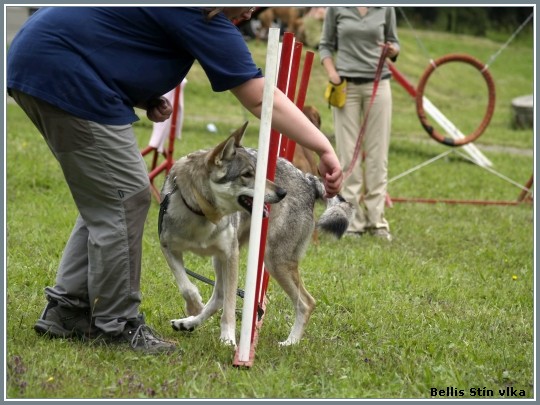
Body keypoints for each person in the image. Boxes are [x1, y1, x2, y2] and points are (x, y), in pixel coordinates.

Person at [7, 7, 343, 355]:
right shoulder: (203, 14)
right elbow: (259, 96)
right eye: (247, 4)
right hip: (63, 71)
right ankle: (118, 324)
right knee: (127, 198)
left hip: (40, 56)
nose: (248, 13)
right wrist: (322, 146)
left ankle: (67, 309)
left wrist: (142, 95)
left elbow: (115, 35)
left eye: (255, 10)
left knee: (109, 196)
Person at [319, 6, 399, 241]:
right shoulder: (337, 7)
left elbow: (394, 43)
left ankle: (377, 221)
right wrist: (332, 72)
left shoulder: (386, 8)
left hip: (379, 83)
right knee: (347, 155)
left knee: (377, 154)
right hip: (346, 86)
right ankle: (352, 222)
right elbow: (325, 45)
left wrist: (393, 49)